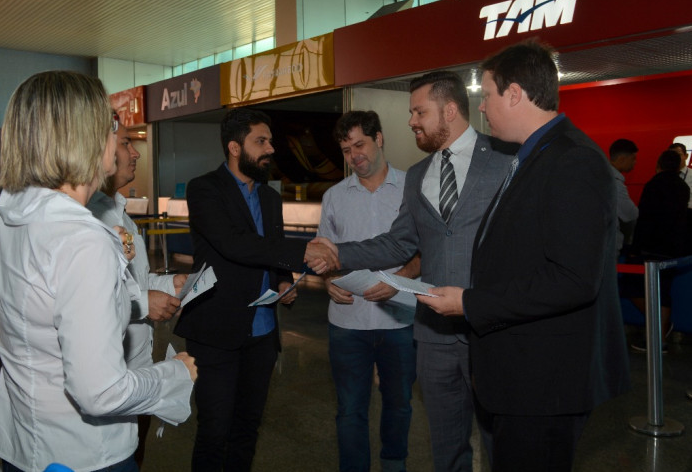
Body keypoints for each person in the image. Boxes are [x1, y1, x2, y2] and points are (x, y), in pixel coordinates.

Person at [416, 41, 630, 472]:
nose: (482, 109)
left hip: (544, 384)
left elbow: (572, 278)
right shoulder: (536, 155)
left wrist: (469, 303)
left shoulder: (571, 160)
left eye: (487, 96)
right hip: (527, 378)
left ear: (515, 93)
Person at [0, 71, 197, 472]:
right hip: (83, 454)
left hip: (23, 441)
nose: (120, 142)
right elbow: (100, 392)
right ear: (82, 135)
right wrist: (173, 375)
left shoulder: (10, 213)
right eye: (110, 126)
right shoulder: (82, 237)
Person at [315, 71, 516, 472]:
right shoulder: (422, 176)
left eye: (418, 111)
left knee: (501, 436)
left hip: (489, 326)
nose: (410, 121)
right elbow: (398, 242)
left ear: (450, 109)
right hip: (434, 332)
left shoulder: (505, 159)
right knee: (446, 438)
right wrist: (336, 255)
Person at [174, 107, 337, 471]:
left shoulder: (269, 198)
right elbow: (234, 243)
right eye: (260, 141)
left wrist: (282, 282)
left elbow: (271, 253)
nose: (271, 149)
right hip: (216, 331)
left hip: (262, 333)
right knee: (215, 430)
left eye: (270, 141)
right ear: (235, 147)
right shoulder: (205, 189)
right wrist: (303, 253)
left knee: (248, 427)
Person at [318, 110, 420, 472]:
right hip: (347, 322)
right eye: (346, 149)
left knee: (399, 404)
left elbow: (425, 251)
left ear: (379, 139)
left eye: (359, 144)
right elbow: (324, 254)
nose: (353, 155)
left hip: (400, 320)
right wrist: (329, 282)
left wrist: (399, 279)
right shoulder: (334, 197)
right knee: (349, 410)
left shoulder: (412, 187)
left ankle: (394, 465)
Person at [87, 116, 188, 467]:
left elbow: (130, 280)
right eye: (126, 144)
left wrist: (168, 284)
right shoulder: (85, 218)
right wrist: (143, 303)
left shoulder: (119, 212)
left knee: (134, 451)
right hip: (112, 384)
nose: (135, 153)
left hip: (135, 371)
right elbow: (82, 301)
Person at [627, 150, 690, 352]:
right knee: (663, 292)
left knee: (631, 287)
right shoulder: (683, 186)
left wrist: (635, 249)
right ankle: (659, 337)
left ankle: (656, 330)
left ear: (658, 165)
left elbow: (645, 220)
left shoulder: (654, 185)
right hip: (673, 249)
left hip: (651, 248)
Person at [608, 138, 639, 254]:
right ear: (622, 159)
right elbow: (630, 214)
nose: (635, 162)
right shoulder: (614, 182)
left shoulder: (599, 175)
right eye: (633, 158)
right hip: (609, 245)